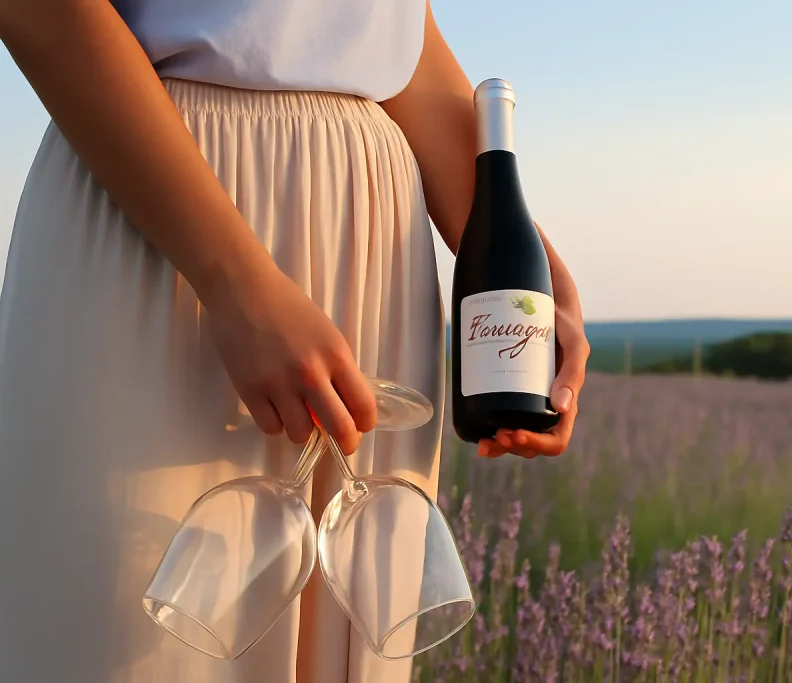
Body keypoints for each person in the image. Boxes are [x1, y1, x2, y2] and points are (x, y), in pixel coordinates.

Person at [0, 0, 590, 681]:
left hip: (372, 257)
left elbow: (390, 32)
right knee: (132, 645)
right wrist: (234, 281)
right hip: (162, 213)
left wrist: (534, 287)